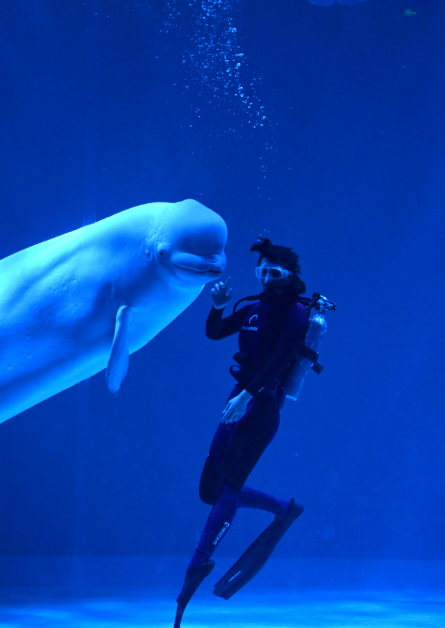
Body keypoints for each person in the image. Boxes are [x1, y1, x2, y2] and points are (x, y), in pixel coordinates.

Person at [174, 238, 310, 627]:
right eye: (261, 271)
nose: (266, 278)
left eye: (274, 272)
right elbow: (214, 332)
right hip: (239, 398)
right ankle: (283, 509)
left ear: (291, 276)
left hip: (261, 406)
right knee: (210, 489)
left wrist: (247, 396)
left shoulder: (296, 312)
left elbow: (281, 359)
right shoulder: (253, 307)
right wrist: (217, 305)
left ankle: (199, 562)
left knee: (229, 485)